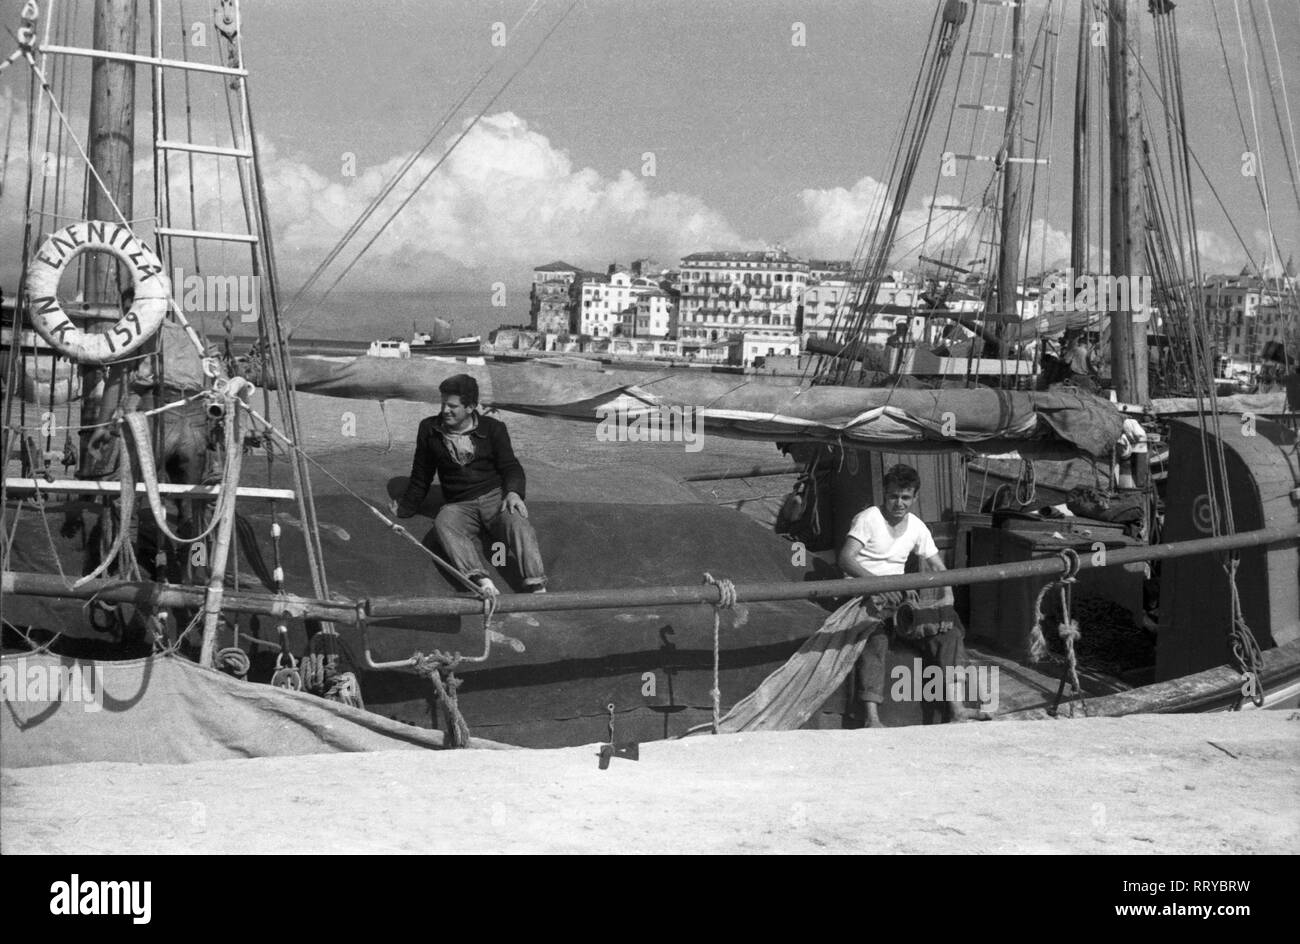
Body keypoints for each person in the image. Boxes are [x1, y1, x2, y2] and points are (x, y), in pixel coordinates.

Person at [837, 463, 986, 726]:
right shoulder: (868, 518)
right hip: (864, 594)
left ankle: (958, 710)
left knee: (948, 631)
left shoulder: (917, 527)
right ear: (885, 493)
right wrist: (878, 585)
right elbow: (846, 559)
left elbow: (938, 566)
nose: (899, 503)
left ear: (914, 498)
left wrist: (947, 594)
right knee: (876, 638)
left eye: (905, 497)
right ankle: (871, 718)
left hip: (899, 599)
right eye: (893, 496)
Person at [392, 374, 546, 595]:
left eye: (452, 406)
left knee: (518, 523)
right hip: (460, 505)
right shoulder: (429, 429)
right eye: (443, 403)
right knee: (443, 522)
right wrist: (406, 507)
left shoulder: (494, 428)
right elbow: (421, 474)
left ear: (471, 407)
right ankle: (481, 581)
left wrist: (513, 493)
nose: (445, 410)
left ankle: (537, 584)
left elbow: (510, 466)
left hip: (495, 499)